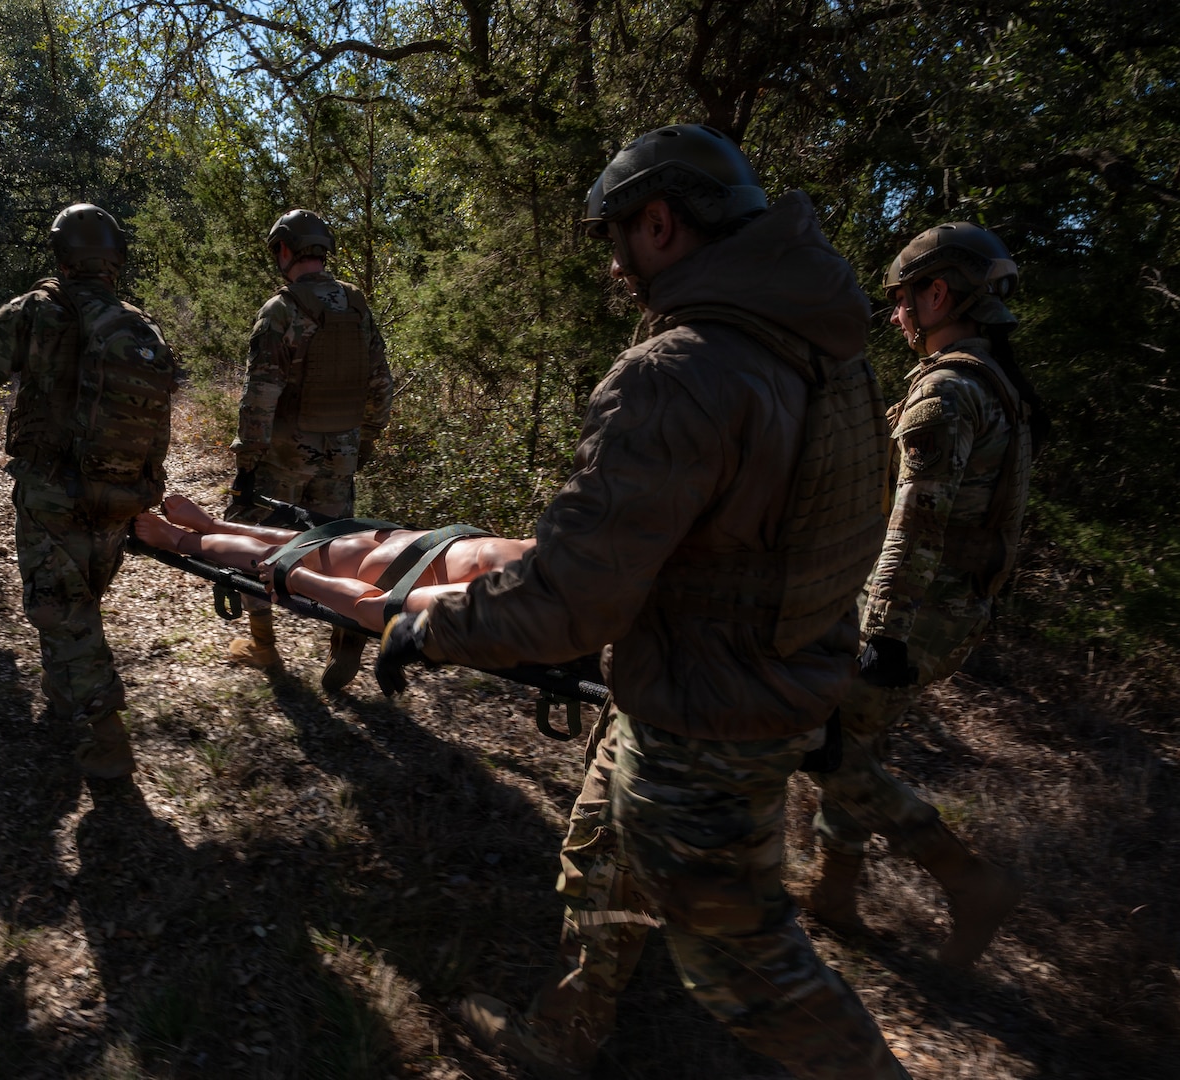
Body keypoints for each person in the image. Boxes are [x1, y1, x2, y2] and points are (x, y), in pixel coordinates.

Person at [377, 125, 908, 1079]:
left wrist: (429, 626)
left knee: (744, 963)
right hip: (726, 679)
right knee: (601, 848)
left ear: (658, 222)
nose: (616, 267)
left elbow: (569, 603)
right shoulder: (826, 360)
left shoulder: (682, 372)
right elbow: (817, 538)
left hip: (709, 716)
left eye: (616, 239)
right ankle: (567, 1028)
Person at [791, 222, 1046, 967]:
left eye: (903, 300)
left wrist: (881, 635)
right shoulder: (995, 380)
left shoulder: (947, 391)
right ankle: (833, 891)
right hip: (949, 608)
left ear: (939, 295)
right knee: (855, 743)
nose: (897, 316)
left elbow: (914, 524)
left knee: (832, 752)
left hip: (918, 613)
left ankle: (969, 882)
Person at [0, 204, 174, 780]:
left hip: (53, 490)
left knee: (61, 610)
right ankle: (66, 693)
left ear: (61, 255)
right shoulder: (142, 324)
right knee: (76, 602)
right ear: (113, 262)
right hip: (121, 492)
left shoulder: (35, 311)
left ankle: (107, 736)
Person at [225, 209, 394, 691]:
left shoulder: (280, 311)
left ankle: (263, 645)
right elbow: (381, 385)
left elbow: (260, 395)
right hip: (340, 449)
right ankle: (346, 634)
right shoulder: (357, 307)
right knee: (340, 550)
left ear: (284, 250)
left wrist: (247, 460)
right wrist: (366, 439)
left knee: (255, 544)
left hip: (284, 455)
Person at [133, 495, 533, 632]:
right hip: (409, 544)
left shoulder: (508, 593)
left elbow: (379, 608)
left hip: (378, 570)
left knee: (283, 554)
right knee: (299, 540)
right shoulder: (563, 553)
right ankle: (211, 525)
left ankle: (182, 539)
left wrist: (297, 577)